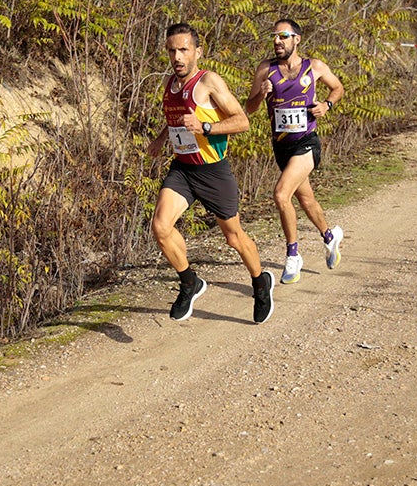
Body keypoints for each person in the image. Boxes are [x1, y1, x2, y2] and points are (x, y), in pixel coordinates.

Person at [147, 23, 276, 324]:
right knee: (161, 226)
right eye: (171, 51)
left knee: (234, 238)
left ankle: (260, 283)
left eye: (183, 50)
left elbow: (242, 121)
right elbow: (178, 119)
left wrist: (206, 127)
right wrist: (161, 138)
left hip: (213, 171)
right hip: (183, 169)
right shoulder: (170, 84)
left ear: (197, 52)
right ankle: (190, 282)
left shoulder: (209, 82)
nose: (177, 57)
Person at [245, 18, 345, 284]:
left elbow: (338, 88)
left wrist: (327, 105)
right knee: (306, 199)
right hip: (281, 145)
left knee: (280, 194)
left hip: (307, 142)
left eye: (284, 36)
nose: (278, 41)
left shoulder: (315, 66)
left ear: (296, 39)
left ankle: (293, 254)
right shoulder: (265, 69)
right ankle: (329, 236)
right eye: (275, 37)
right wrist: (260, 94)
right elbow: (250, 108)